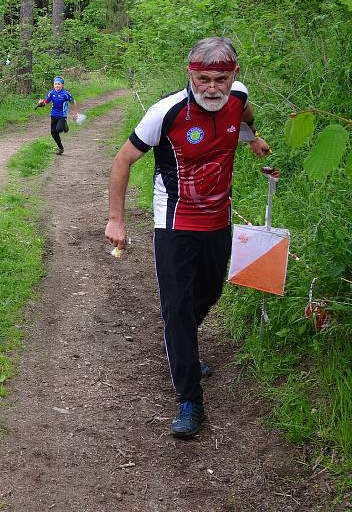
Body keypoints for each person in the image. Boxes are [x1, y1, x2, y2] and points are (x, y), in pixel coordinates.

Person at [104, 37, 270, 438]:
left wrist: (253, 140)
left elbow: (245, 117)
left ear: (235, 75)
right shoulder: (166, 113)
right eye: (203, 79)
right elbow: (123, 159)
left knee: (210, 292)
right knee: (177, 309)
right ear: (190, 75)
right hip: (174, 223)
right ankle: (189, 399)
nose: (212, 87)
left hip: (218, 219)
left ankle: (181, 347)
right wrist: (116, 220)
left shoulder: (238, 98)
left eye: (221, 78)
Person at [37, 76, 76, 155]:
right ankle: (60, 148)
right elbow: (46, 102)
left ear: (62, 85)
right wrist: (41, 103)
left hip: (62, 115)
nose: (57, 86)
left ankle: (65, 125)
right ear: (53, 85)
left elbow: (73, 102)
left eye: (58, 84)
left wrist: (75, 113)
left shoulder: (66, 94)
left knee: (59, 129)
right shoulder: (51, 93)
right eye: (55, 84)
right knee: (53, 133)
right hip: (53, 115)